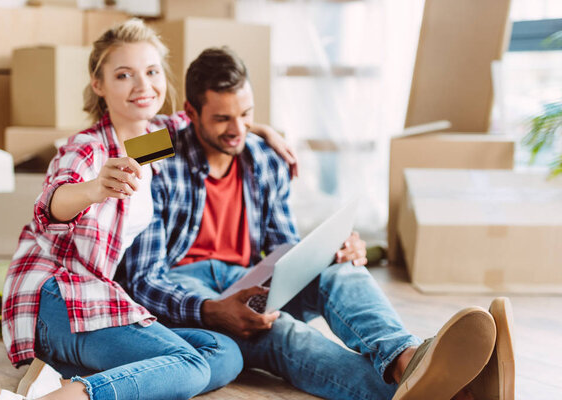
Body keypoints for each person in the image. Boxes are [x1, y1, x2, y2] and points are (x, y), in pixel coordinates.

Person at [124, 47, 515, 400]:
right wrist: (211, 310)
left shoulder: (262, 157)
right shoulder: (159, 151)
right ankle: (455, 393)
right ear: (190, 114)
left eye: (247, 115)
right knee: (286, 334)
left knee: (342, 270)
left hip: (250, 276)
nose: (238, 130)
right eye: (222, 118)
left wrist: (329, 253)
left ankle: (407, 359)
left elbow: (283, 244)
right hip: (189, 287)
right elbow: (143, 277)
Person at [0, 20, 298, 400]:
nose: (143, 86)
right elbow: (50, 204)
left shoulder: (156, 140)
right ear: (98, 85)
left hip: (102, 296)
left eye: (151, 72)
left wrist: (264, 131)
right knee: (194, 364)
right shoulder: (88, 149)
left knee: (225, 352)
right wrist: (94, 188)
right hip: (56, 296)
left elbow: (215, 121)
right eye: (124, 75)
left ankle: (63, 379)